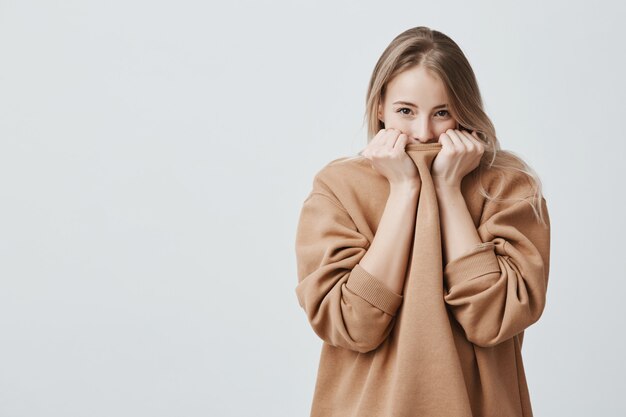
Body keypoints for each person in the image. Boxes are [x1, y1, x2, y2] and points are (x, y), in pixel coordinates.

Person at [294, 26, 551, 417]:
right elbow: (352, 324)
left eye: (442, 113)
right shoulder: (339, 187)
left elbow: (495, 319)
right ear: (379, 107)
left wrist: (448, 190)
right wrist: (403, 191)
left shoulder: (507, 186)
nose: (423, 133)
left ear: (464, 110)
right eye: (405, 111)